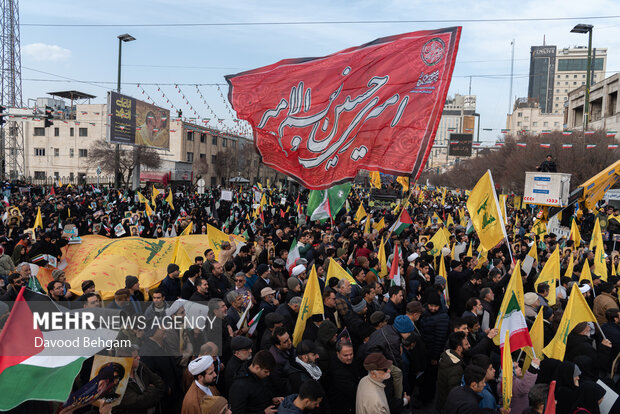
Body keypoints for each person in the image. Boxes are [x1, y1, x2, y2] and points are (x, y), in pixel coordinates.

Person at [113, 346, 165, 414]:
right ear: (125, 361)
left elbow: (160, 384)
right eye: (135, 357)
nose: (139, 358)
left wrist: (150, 399)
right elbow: (138, 403)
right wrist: (152, 389)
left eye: (138, 355)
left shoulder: (141, 366)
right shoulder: (117, 380)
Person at [436, 331, 469, 411]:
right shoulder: (456, 369)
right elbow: (454, 393)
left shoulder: (446, 356)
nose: (469, 345)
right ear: (459, 348)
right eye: (466, 344)